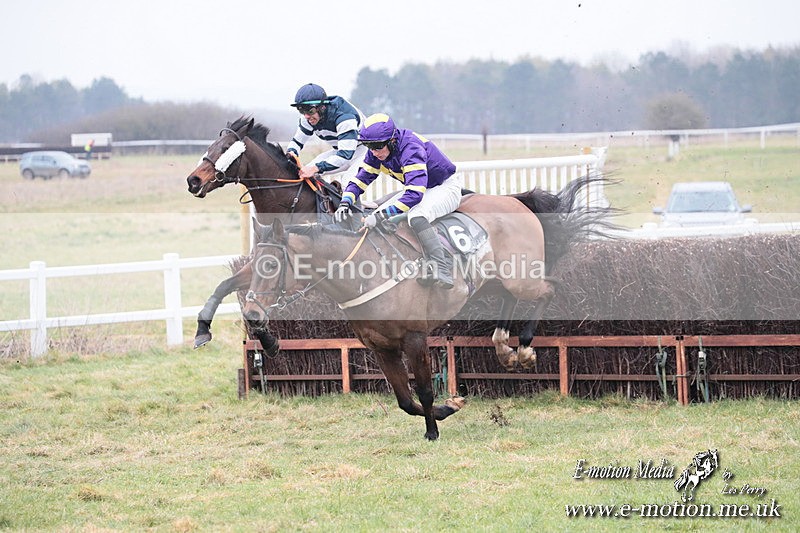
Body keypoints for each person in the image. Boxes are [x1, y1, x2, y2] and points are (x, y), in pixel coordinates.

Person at [334, 113, 463, 290]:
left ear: (392, 140)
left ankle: (442, 266)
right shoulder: (377, 151)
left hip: (444, 187)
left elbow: (415, 195)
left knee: (416, 216)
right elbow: (361, 179)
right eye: (369, 146)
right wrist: (345, 201)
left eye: (378, 146)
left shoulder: (411, 149)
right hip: (420, 188)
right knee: (373, 221)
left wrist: (380, 216)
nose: (374, 152)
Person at [286, 83, 367, 188]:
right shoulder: (308, 118)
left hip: (366, 152)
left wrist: (315, 168)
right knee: (305, 174)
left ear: (322, 107)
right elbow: (297, 142)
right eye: (302, 111)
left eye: (310, 110)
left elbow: (345, 156)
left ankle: (355, 205)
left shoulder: (344, 117)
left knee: (348, 184)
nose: (306, 116)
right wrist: (290, 155)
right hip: (341, 151)